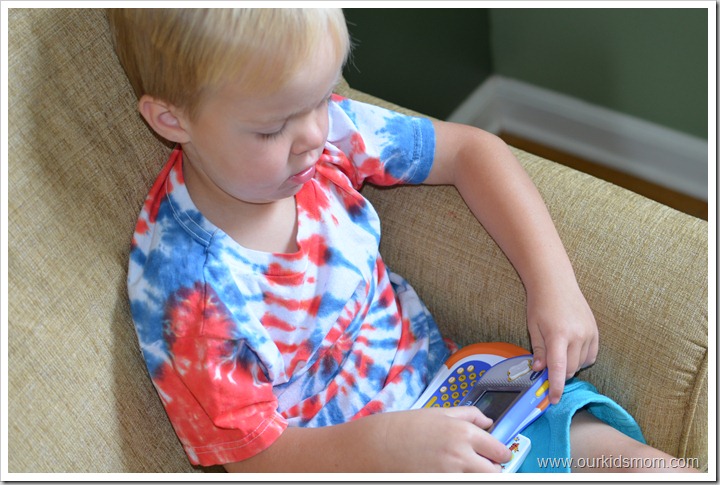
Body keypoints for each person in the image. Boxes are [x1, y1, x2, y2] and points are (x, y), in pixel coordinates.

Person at [108, 8, 695, 473]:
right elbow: (255, 456)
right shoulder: (187, 291)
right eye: (272, 127)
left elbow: (471, 151)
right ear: (171, 119)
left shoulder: (332, 133)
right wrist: (386, 449)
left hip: (459, 397)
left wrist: (553, 284)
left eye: (317, 101)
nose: (314, 135)